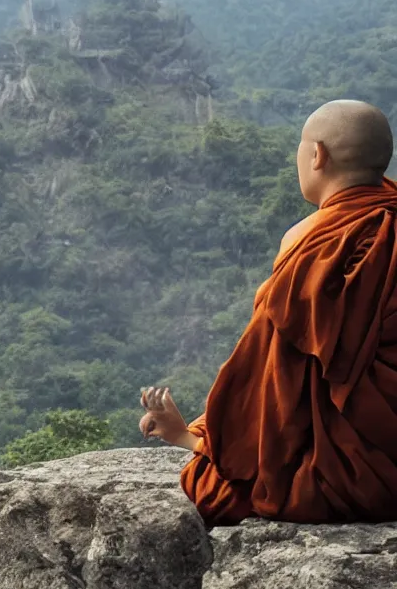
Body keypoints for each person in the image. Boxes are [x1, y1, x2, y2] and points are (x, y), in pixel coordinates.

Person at [140, 100, 397, 525]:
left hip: (352, 478)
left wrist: (195, 438)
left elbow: (274, 385)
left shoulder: (310, 241)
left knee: (215, 489)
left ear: (318, 156)